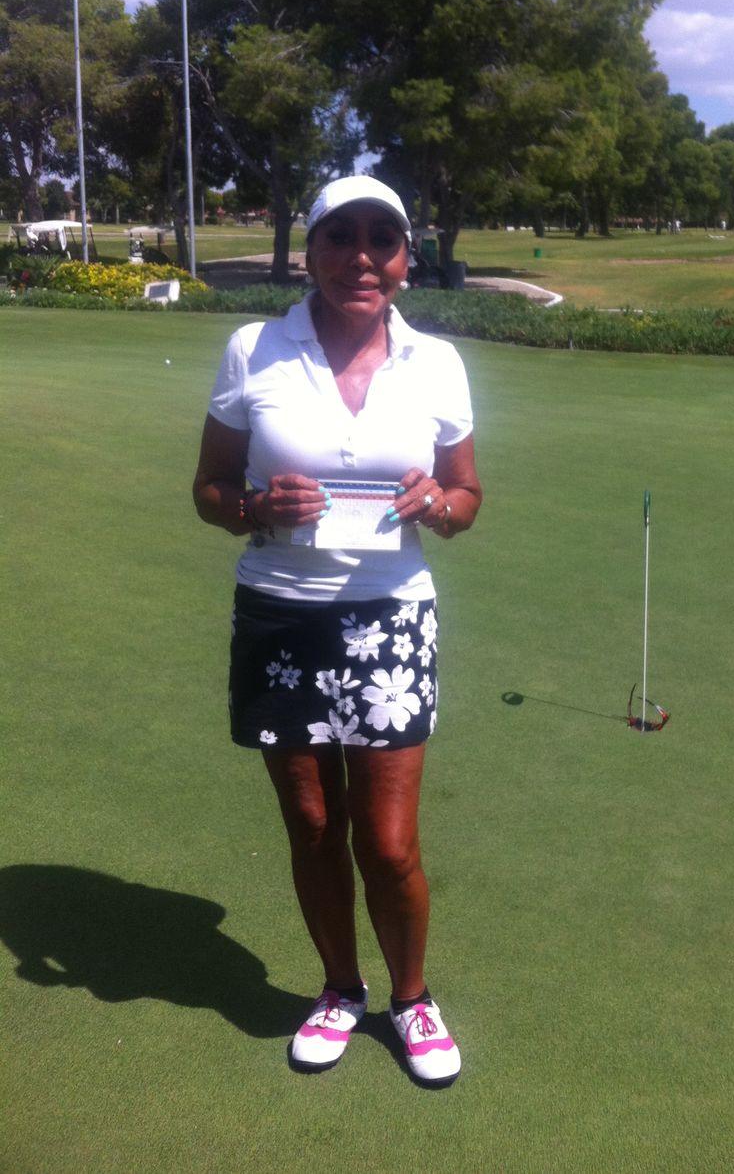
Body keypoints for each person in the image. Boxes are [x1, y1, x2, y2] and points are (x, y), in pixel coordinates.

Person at [193, 176, 482, 1087]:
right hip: (280, 612)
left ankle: (413, 996)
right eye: (340, 236)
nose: (362, 256)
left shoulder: (436, 362)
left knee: (387, 842)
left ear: (406, 259)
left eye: (382, 239)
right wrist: (252, 506)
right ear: (311, 250)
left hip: (391, 617)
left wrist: (439, 504)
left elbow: (467, 495)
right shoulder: (255, 349)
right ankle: (340, 988)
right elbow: (208, 488)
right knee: (315, 826)